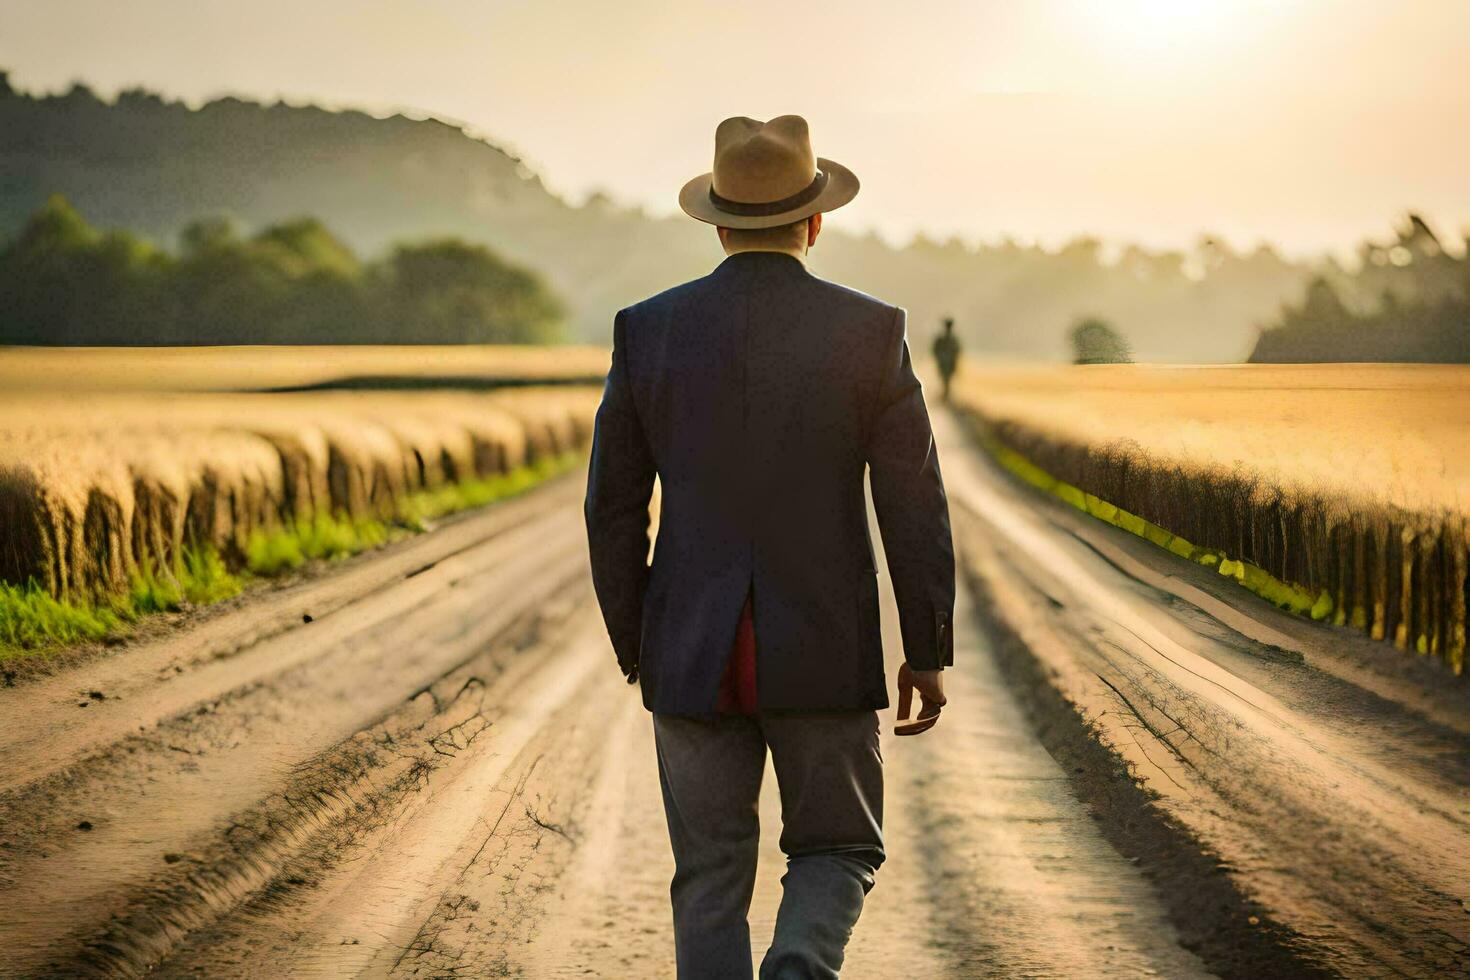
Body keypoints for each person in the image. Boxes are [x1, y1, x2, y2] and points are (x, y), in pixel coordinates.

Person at [583, 115, 955, 979]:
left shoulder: (648, 330)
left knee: (708, 877)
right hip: (823, 649)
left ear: (717, 224)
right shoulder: (871, 331)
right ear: (816, 221)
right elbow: (913, 503)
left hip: (690, 655)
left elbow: (611, 506)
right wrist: (927, 650)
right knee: (837, 848)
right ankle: (798, 966)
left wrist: (638, 639)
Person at [932, 316, 961, 403]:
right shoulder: (945, 339)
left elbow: (956, 351)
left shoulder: (951, 340)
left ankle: (946, 395)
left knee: (947, 380)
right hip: (944, 363)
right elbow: (935, 350)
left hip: (948, 363)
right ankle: (946, 395)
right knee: (945, 379)